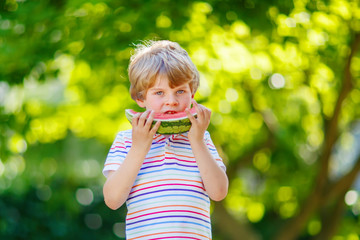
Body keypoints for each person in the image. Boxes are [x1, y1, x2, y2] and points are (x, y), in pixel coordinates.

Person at [102, 40, 228, 240]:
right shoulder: (126, 141)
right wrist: (139, 148)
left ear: (192, 95)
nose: (171, 100)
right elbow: (112, 199)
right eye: (159, 93)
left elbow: (219, 192)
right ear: (140, 98)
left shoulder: (200, 138)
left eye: (180, 91)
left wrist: (197, 142)